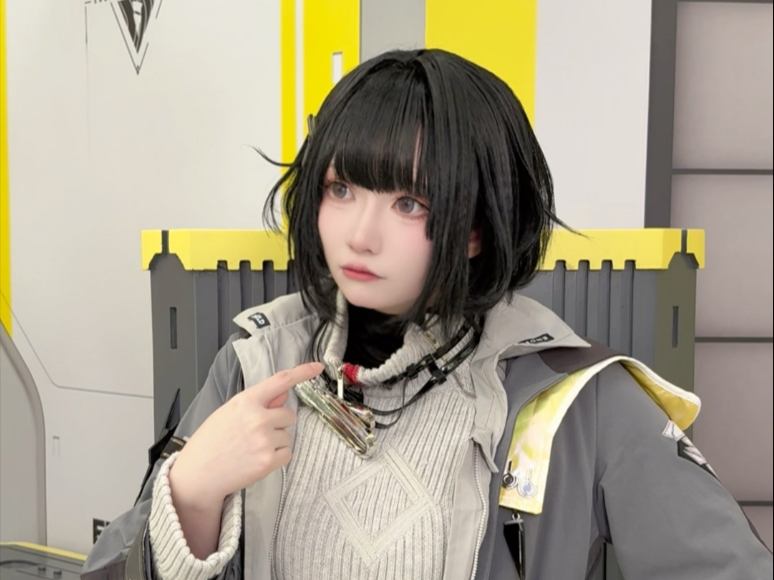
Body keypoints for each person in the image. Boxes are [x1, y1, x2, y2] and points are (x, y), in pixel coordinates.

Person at [81, 49, 773, 580]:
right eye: (341, 190)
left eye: (409, 204)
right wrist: (191, 492)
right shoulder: (254, 364)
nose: (360, 235)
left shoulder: (579, 398)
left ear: (476, 229)